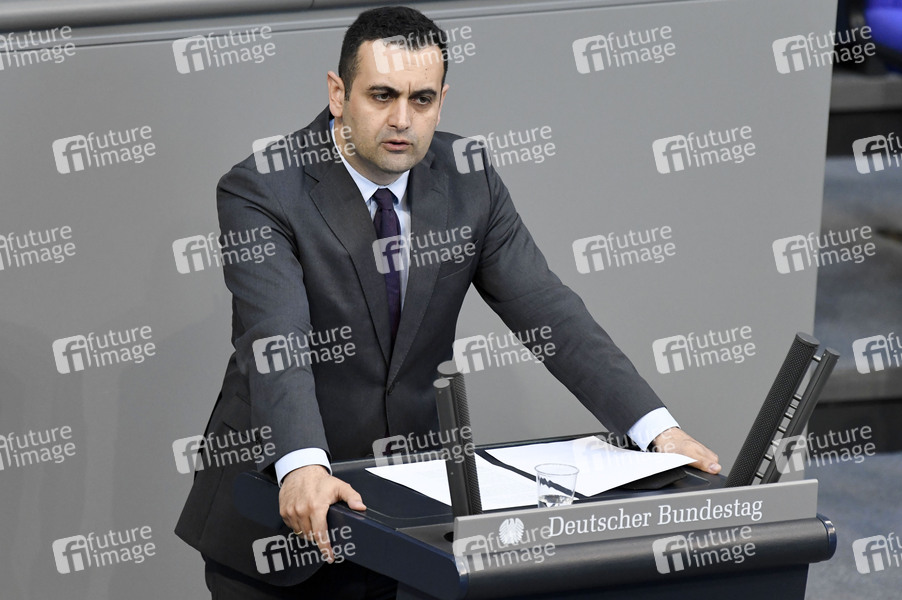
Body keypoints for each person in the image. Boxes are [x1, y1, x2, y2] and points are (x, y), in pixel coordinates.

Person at [176, 6, 721, 599]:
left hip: (408, 518)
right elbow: (277, 341)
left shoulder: (468, 177)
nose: (402, 120)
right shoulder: (262, 188)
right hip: (278, 517)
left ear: (442, 100)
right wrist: (304, 463)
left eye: (422, 99)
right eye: (381, 96)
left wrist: (657, 431)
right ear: (338, 94)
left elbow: (550, 312)